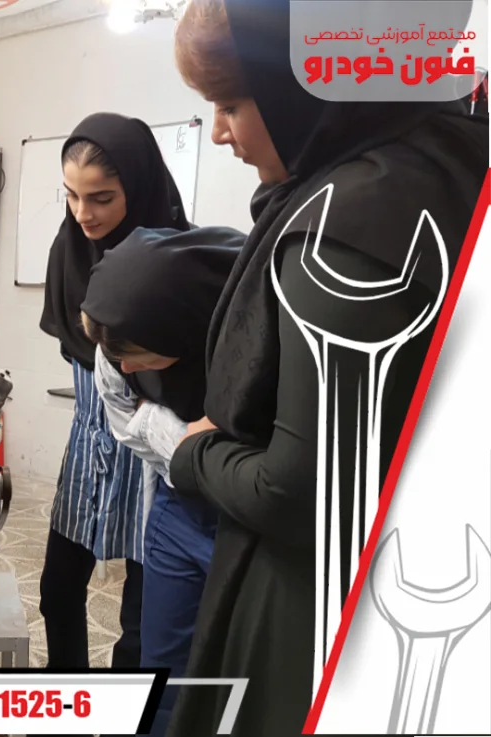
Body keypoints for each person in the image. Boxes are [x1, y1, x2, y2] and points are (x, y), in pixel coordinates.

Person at [166, 0, 488, 735]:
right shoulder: (448, 157)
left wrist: (194, 453)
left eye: (231, 105)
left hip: (313, 612)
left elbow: (298, 495)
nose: (218, 132)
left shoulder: (350, 230)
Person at [39, 112, 192, 670]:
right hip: (88, 447)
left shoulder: (174, 261)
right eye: (72, 195)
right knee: (57, 591)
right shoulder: (68, 249)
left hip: (151, 453)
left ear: (139, 186)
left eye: (101, 198)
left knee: (141, 623)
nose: (83, 213)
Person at [80, 225, 244, 736]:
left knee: (238, 673)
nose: (127, 366)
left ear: (181, 326)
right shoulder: (116, 342)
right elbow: (126, 424)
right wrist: (185, 439)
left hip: (248, 521)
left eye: (139, 354)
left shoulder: (246, 337)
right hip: (176, 509)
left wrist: (159, 426)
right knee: (163, 675)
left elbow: (255, 463)